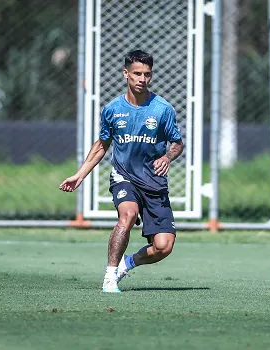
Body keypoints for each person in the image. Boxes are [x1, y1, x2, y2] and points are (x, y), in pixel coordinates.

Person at [59, 50, 184, 293]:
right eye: (137, 73)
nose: (142, 79)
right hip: (124, 177)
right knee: (126, 215)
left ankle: (128, 263)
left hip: (154, 183)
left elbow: (177, 143)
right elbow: (101, 145)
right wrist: (79, 174)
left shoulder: (162, 109)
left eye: (147, 74)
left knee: (163, 247)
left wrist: (167, 156)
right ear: (125, 74)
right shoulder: (112, 109)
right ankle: (109, 276)